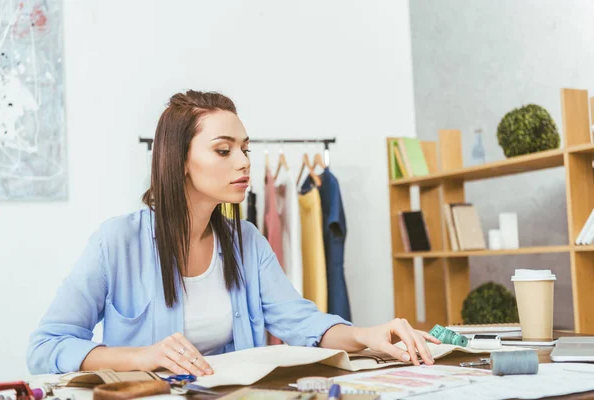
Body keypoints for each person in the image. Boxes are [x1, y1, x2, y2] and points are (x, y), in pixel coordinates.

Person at [26, 90, 440, 376]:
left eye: (245, 149)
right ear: (180, 161)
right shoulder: (114, 244)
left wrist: (365, 335)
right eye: (224, 150)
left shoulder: (247, 242)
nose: (242, 162)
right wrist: (139, 357)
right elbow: (45, 348)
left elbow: (302, 323)